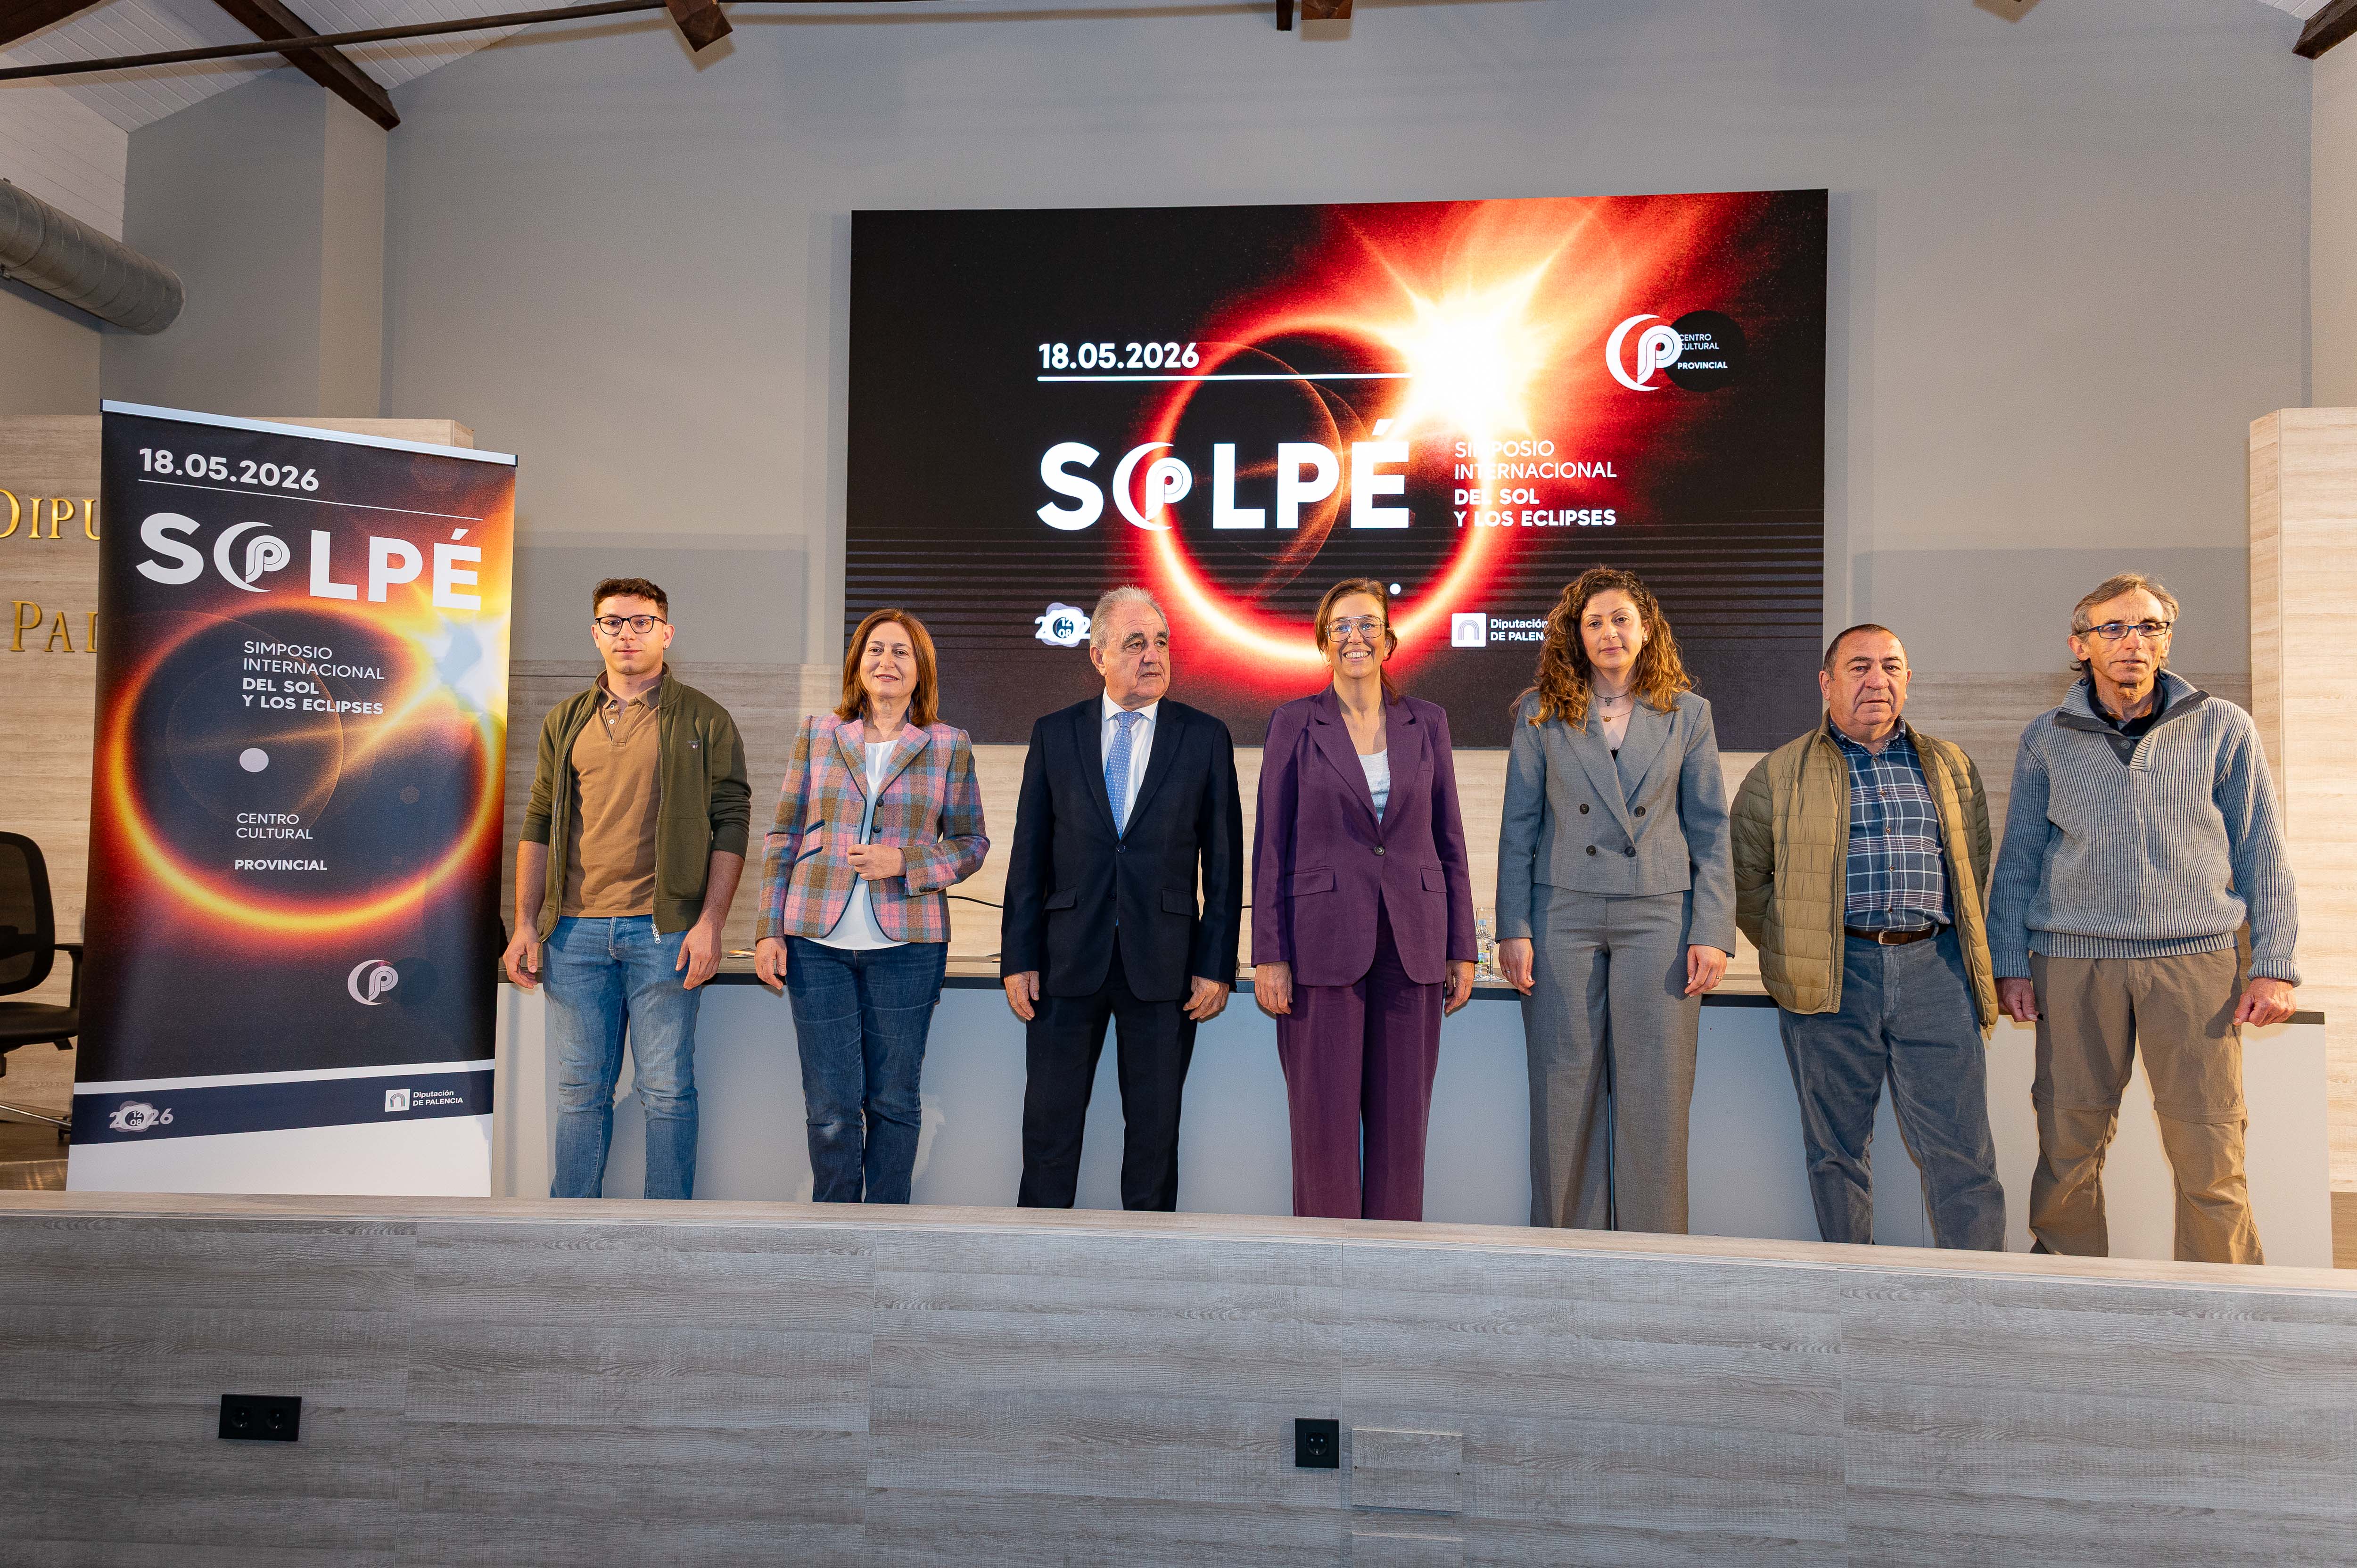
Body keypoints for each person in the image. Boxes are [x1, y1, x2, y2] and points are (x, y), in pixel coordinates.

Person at [1989, 573, 2298, 1265]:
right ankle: (2067, 1296)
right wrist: (2009, 962)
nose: (2133, 640)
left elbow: (2262, 853)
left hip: (2195, 963)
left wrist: (2275, 965)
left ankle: (2222, 1302)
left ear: (2166, 640)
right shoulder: (2046, 737)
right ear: (2081, 645)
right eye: (2114, 628)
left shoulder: (2223, 727)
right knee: (2068, 1145)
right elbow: (2018, 861)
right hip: (2073, 962)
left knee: (2209, 1146)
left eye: (2149, 627)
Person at [1731, 624, 2006, 1250]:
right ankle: (1849, 1289)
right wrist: (1803, 945)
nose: (1876, 679)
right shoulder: (1778, 773)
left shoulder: (1950, 766)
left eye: (1890, 666)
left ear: (1907, 679)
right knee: (1836, 1152)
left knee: (1962, 1153)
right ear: (1826, 683)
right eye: (1859, 666)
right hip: (1832, 980)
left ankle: (1977, 1293)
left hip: (1936, 972)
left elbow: (1973, 864)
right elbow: (1746, 881)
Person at [1494, 567, 1733, 1235]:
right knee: (1562, 1089)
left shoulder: (1688, 713)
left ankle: (1655, 1261)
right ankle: (1563, 1256)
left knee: (1657, 1093)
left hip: (1658, 914)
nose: (1609, 632)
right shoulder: (1541, 711)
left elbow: (1711, 829)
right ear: (1576, 635)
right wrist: (1513, 926)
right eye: (1594, 621)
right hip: (1561, 913)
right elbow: (1518, 828)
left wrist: (1711, 930)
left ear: (1646, 629)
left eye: (1621, 618)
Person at [504, 576, 750, 1200]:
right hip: (573, 934)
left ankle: (666, 1229)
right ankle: (570, 1227)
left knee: (666, 1089)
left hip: (663, 933)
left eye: (642, 622)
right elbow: (539, 818)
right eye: (613, 622)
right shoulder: (566, 720)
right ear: (596, 634)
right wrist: (526, 922)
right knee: (579, 1091)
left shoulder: (704, 718)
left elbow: (732, 820)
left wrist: (710, 922)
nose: (627, 633)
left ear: (667, 634)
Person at [999, 586, 1244, 1211]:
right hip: (1063, 963)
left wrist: (1216, 964)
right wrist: (1018, 958)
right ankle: (1038, 1260)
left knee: (1154, 1143)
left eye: (1161, 642)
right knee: (1048, 1136)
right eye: (1135, 643)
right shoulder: (1054, 734)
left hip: (1165, 967)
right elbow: (1028, 856)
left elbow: (1223, 864)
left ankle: (1150, 1265)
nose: (1152, 655)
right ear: (1099, 655)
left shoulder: (1204, 737)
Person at [1252, 577, 1476, 1221]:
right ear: (1324, 643)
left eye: (1369, 624)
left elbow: (1449, 838)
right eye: (1342, 626)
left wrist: (1462, 946)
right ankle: (1325, 1270)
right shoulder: (1294, 722)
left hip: (1414, 944)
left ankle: (1394, 1268)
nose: (1356, 636)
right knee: (1322, 1133)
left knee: (1402, 1135)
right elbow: (1271, 844)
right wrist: (1270, 954)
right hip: (1319, 946)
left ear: (1389, 640)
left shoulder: (1427, 721)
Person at [753, 608, 988, 1204]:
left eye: (901, 652)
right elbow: (783, 835)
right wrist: (768, 929)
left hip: (908, 948)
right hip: (815, 943)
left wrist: (905, 862)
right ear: (857, 664)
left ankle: (888, 1232)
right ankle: (834, 1232)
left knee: (893, 1101)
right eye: (875, 650)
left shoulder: (948, 744)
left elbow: (971, 844)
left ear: (920, 669)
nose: (887, 662)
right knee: (830, 1106)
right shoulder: (818, 734)